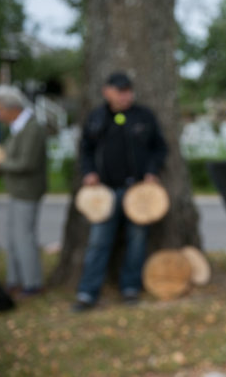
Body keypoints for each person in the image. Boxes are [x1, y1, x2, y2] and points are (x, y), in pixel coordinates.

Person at [72, 72, 168, 312]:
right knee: (98, 242)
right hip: (105, 192)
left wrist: (152, 171)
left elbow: (160, 147)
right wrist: (89, 172)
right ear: (107, 91)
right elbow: (85, 150)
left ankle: (130, 288)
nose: (125, 95)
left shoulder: (144, 116)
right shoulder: (97, 117)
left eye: (128, 91)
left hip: (138, 192)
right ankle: (87, 292)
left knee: (137, 241)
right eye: (120, 91)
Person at [0, 85, 47, 298]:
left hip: (28, 191)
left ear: (10, 108)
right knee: (14, 238)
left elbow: (26, 163)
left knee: (24, 237)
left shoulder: (32, 128)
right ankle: (15, 280)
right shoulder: (18, 127)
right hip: (17, 190)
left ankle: (32, 283)